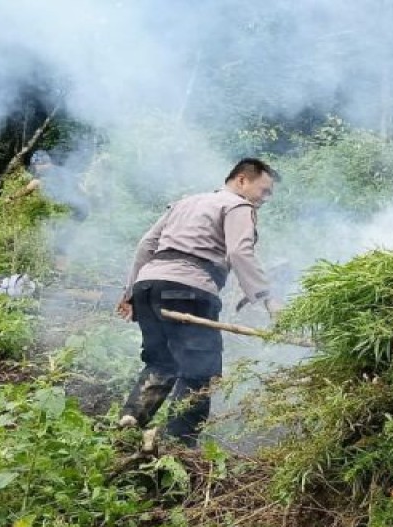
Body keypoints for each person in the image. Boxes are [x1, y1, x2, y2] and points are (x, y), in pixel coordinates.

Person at [116, 158, 282, 448]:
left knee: (161, 361)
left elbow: (145, 245)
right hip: (189, 290)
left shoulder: (185, 202)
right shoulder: (239, 206)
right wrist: (267, 298)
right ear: (242, 180)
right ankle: (177, 446)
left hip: (149, 286)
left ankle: (130, 420)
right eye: (264, 191)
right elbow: (240, 252)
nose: (265, 199)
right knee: (201, 373)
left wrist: (131, 292)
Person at [7, 150, 90, 221]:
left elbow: (28, 188)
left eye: (35, 165)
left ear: (39, 163)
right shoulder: (62, 170)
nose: (35, 168)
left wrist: (11, 198)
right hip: (82, 208)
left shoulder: (43, 175)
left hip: (67, 210)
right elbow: (83, 189)